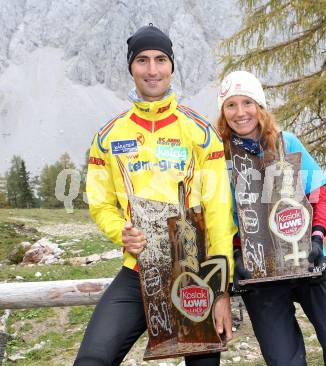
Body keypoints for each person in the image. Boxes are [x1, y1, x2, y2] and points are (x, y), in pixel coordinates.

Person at [74, 25, 236, 366]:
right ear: (131, 67)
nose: (152, 69)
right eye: (143, 60)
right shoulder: (108, 136)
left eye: (161, 60)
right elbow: (101, 202)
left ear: (172, 66)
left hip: (195, 272)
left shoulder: (200, 132)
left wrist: (222, 289)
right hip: (137, 271)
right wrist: (121, 231)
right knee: (91, 359)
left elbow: (220, 212)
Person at [216, 70, 326, 366]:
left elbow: (319, 194)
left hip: (308, 260)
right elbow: (216, 218)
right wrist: (236, 256)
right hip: (259, 273)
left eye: (247, 103)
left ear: (260, 106)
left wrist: (317, 238)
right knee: (284, 362)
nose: (240, 113)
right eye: (231, 105)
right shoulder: (218, 157)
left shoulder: (286, 142)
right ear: (223, 111)